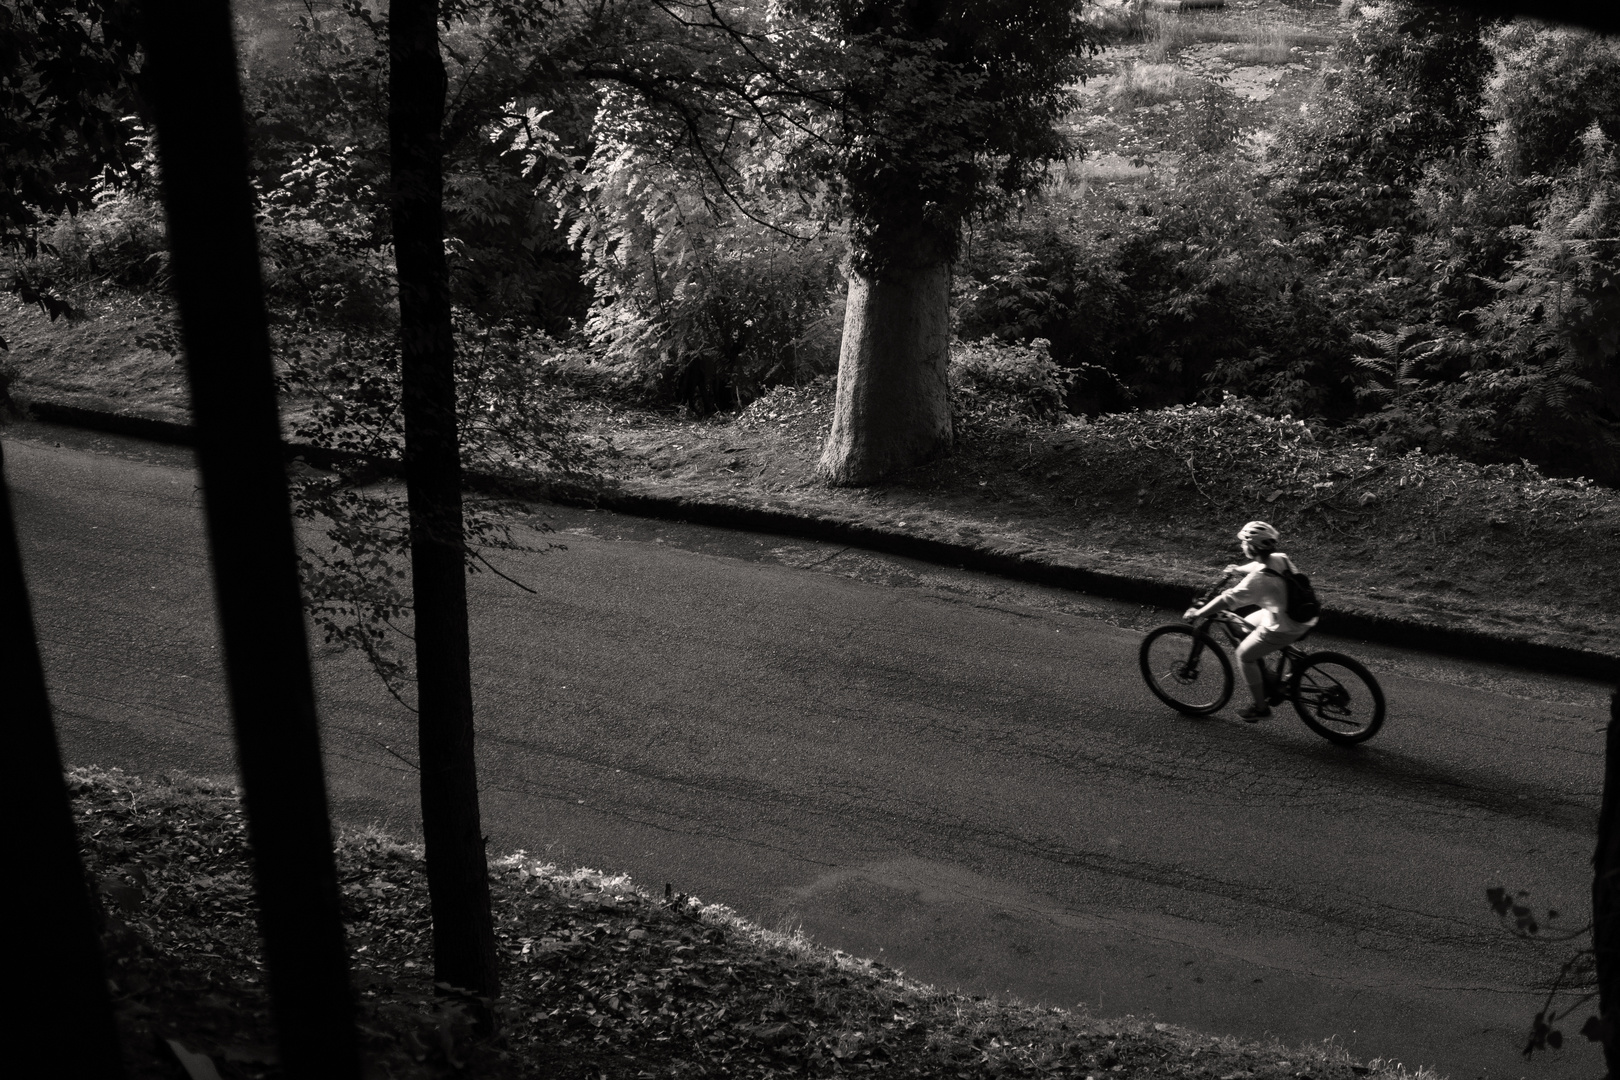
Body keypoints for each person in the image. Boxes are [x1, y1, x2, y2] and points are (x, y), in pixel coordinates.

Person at [1182, 520, 1318, 721]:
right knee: (1246, 623)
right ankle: (1286, 663)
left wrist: (1199, 613)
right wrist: (1238, 569)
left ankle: (1261, 708)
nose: (1242, 545)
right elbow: (1259, 565)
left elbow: (1228, 599)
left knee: (1244, 655)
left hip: (1286, 626)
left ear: (1252, 546)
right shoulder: (1280, 558)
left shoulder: (1258, 581)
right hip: (1302, 613)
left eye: (1244, 542)